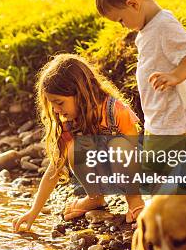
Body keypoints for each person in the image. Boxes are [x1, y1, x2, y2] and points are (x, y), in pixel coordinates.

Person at [12, 54, 145, 232]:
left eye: (59, 103)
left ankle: (134, 200)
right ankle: (95, 197)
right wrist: (34, 211)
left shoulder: (115, 110)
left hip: (131, 171)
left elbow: (134, 151)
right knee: (75, 148)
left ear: (81, 93)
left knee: (119, 146)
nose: (56, 110)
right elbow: (55, 168)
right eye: (53, 104)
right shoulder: (68, 122)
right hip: (101, 171)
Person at [95, 0, 186, 173]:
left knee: (164, 179)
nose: (123, 26)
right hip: (161, 119)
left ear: (133, 4)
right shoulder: (148, 27)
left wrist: (175, 76)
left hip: (174, 122)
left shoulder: (164, 25)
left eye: (120, 20)